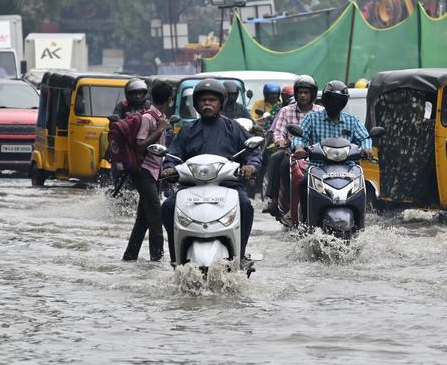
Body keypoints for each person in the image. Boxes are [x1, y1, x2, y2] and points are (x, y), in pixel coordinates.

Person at [161, 78, 262, 265]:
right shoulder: (187, 130)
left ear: (220, 103)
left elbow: (252, 152)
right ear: (197, 105)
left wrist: (251, 165)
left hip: (227, 186)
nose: (207, 103)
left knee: (245, 205)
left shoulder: (234, 128)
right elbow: (172, 154)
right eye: (203, 100)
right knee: (168, 206)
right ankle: (176, 255)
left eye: (212, 100)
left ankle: (241, 254)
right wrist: (168, 168)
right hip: (190, 186)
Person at [122, 80, 173, 262]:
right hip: (144, 171)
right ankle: (157, 259)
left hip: (154, 172)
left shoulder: (161, 118)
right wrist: (159, 130)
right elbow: (140, 145)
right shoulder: (149, 118)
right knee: (155, 214)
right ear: (170, 99)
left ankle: (130, 257)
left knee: (143, 219)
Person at [263, 75, 321, 219]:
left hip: (315, 152)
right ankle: (277, 201)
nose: (303, 95)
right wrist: (279, 141)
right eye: (300, 92)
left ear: (312, 94)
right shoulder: (286, 110)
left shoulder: (321, 111)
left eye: (306, 92)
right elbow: (278, 131)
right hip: (291, 151)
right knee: (279, 160)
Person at [109, 78, 150, 195]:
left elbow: (159, 118)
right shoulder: (122, 106)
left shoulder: (149, 106)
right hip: (124, 145)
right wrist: (116, 121)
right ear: (128, 94)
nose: (138, 96)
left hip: (144, 145)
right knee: (119, 169)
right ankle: (117, 191)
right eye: (134, 93)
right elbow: (113, 124)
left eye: (140, 93)